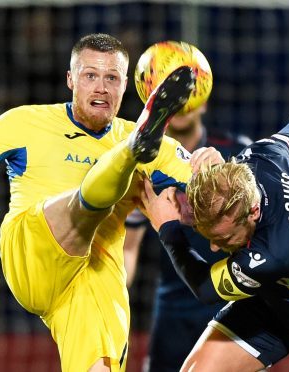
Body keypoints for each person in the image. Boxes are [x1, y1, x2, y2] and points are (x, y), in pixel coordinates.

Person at [0, 34, 217, 372]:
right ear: (70, 80)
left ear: (127, 85)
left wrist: (216, 165)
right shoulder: (23, 122)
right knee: (84, 204)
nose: (101, 87)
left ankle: (130, 153)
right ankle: (130, 155)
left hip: (93, 276)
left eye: (112, 78)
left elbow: (223, 190)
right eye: (90, 75)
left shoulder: (163, 147)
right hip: (32, 247)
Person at [140, 99, 289, 372]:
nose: (214, 247)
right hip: (273, 301)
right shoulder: (263, 157)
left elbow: (206, 288)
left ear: (254, 212)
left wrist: (169, 229)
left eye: (224, 239)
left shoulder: (279, 250)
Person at [123, 103, 251, 372]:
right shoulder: (143, 163)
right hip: (174, 307)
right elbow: (128, 249)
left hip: (234, 299)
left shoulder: (235, 151)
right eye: (173, 91)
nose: (180, 103)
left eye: (188, 93)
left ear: (204, 99)